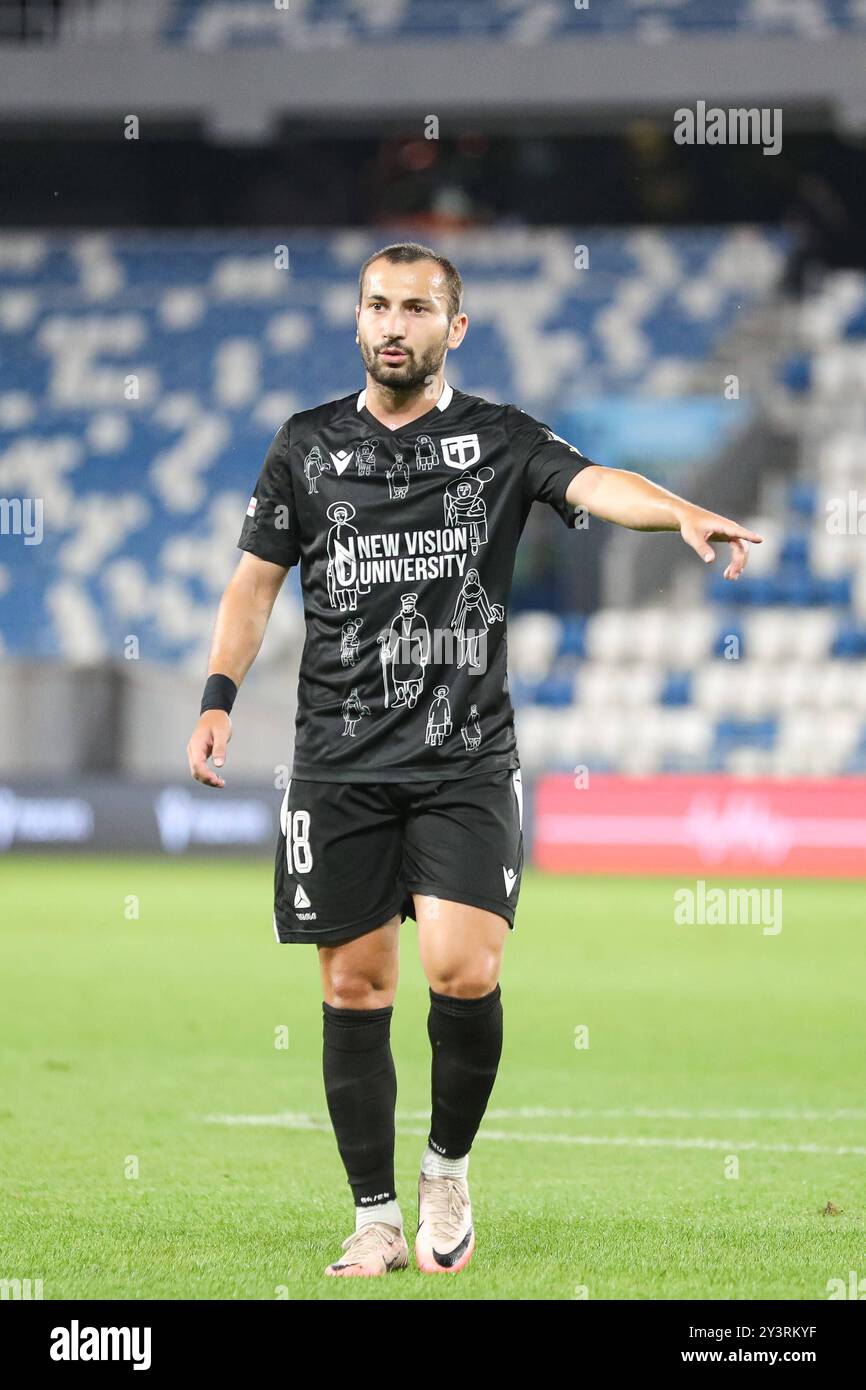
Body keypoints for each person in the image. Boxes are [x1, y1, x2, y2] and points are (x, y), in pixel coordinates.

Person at [186, 241, 761, 1279]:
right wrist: (217, 697)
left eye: (415, 307)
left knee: (463, 966)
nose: (392, 323)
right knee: (356, 986)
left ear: (455, 327)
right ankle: (372, 1215)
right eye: (376, 305)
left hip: (463, 758)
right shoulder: (305, 446)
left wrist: (674, 507)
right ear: (357, 322)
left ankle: (445, 1164)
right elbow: (253, 585)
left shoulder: (497, 440)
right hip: (337, 759)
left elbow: (591, 478)